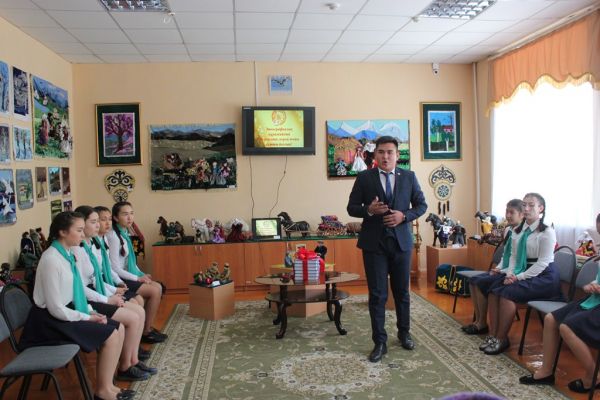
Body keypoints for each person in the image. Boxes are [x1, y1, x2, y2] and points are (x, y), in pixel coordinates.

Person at [18, 212, 131, 400]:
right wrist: (87, 317)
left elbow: (74, 291)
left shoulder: (67, 254)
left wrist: (90, 310)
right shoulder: (51, 259)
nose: (83, 234)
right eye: (78, 230)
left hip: (64, 312)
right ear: (63, 232)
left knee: (117, 328)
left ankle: (109, 386)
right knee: (111, 334)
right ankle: (102, 391)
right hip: (47, 323)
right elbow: (55, 308)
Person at [347, 135, 427, 362]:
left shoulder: (409, 177)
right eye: (381, 152)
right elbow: (352, 207)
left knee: (402, 293)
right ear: (375, 154)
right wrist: (369, 210)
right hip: (374, 244)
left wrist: (404, 216)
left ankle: (404, 333)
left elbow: (421, 205)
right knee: (377, 294)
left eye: (390, 152)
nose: (385, 156)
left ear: (397, 155)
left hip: (401, 243)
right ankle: (379, 342)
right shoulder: (364, 177)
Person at [73, 205, 156, 381]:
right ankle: (125, 366)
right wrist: (108, 297)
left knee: (138, 311)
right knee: (134, 316)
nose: (99, 225)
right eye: (94, 222)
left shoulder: (91, 244)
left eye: (101, 221)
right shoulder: (78, 250)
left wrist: (114, 289)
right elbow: (81, 286)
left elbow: (98, 275)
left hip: (99, 290)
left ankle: (132, 360)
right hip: (88, 298)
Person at [482, 193, 561, 355]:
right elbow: (513, 256)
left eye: (531, 205)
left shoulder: (547, 231)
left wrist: (517, 277)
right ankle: (493, 334)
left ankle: (502, 339)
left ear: (541, 208)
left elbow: (543, 263)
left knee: (507, 294)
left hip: (544, 276)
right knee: (493, 291)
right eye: (524, 205)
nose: (526, 208)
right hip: (523, 271)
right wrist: (510, 274)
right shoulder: (518, 230)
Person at [519, 257, 600, 394]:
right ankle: (546, 372)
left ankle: (594, 376)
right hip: (594, 300)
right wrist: (592, 285)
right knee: (551, 319)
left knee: (566, 328)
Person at [106, 202, 167, 344]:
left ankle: (147, 327)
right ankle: (146, 332)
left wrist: (141, 274)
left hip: (125, 274)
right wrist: (137, 278)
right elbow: (115, 268)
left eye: (131, 213)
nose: (130, 218)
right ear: (115, 217)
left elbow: (129, 262)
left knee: (157, 286)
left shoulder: (124, 232)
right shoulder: (113, 236)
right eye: (125, 214)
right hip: (118, 278)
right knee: (155, 290)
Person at [461, 199, 523, 335]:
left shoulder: (523, 233)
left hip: (513, 272)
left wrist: (503, 270)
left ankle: (482, 324)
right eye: (507, 212)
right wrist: (499, 267)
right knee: (473, 281)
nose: (508, 215)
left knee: (481, 283)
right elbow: (506, 255)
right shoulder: (508, 230)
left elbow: (518, 260)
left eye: (512, 212)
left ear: (521, 214)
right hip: (504, 269)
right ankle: (479, 321)